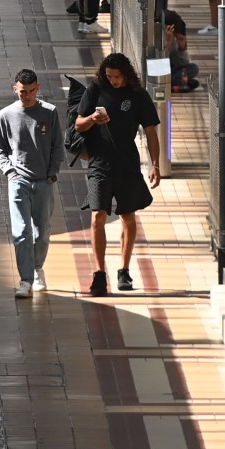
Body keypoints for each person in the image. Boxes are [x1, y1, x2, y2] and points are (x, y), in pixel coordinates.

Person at [73, 53, 162, 296]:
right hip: (99, 163)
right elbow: (78, 124)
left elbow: (151, 132)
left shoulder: (138, 96)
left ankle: (124, 270)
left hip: (127, 164)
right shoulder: (95, 89)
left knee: (128, 217)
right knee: (97, 216)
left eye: (117, 77)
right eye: (109, 76)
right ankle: (99, 273)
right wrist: (93, 118)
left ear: (126, 75)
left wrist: (155, 164)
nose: (112, 81)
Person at [0, 68, 63, 297]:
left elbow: (56, 145)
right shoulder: (6, 115)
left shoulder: (49, 113)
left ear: (38, 88)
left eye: (31, 91)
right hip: (19, 181)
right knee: (21, 232)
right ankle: (25, 280)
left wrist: (52, 173)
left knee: (42, 232)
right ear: (15, 89)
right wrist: (10, 172)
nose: (27, 96)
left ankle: (37, 268)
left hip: (43, 181)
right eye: (23, 91)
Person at [164, 11, 201, 91]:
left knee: (193, 68)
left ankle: (172, 83)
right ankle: (176, 83)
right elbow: (158, 64)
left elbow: (183, 63)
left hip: (170, 72)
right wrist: (166, 46)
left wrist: (182, 48)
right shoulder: (157, 35)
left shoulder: (173, 38)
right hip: (157, 70)